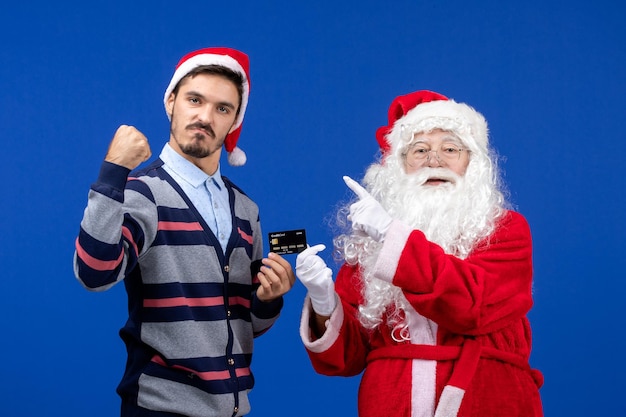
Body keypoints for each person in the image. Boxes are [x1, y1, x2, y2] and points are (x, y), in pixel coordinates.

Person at [73, 47, 295, 417]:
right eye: (195, 99)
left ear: (233, 122)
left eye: (222, 108)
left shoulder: (245, 208)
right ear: (172, 102)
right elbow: (93, 273)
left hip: (232, 408)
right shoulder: (142, 191)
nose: (205, 117)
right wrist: (114, 170)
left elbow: (248, 325)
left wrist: (268, 298)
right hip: (160, 408)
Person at [295, 90, 543, 417]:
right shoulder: (370, 245)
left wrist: (391, 234)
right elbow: (348, 357)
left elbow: (471, 307)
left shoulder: (506, 230)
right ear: (399, 167)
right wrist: (325, 303)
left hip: (488, 399)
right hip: (390, 403)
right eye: (420, 150)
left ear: (473, 162)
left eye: (450, 149)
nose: (434, 160)